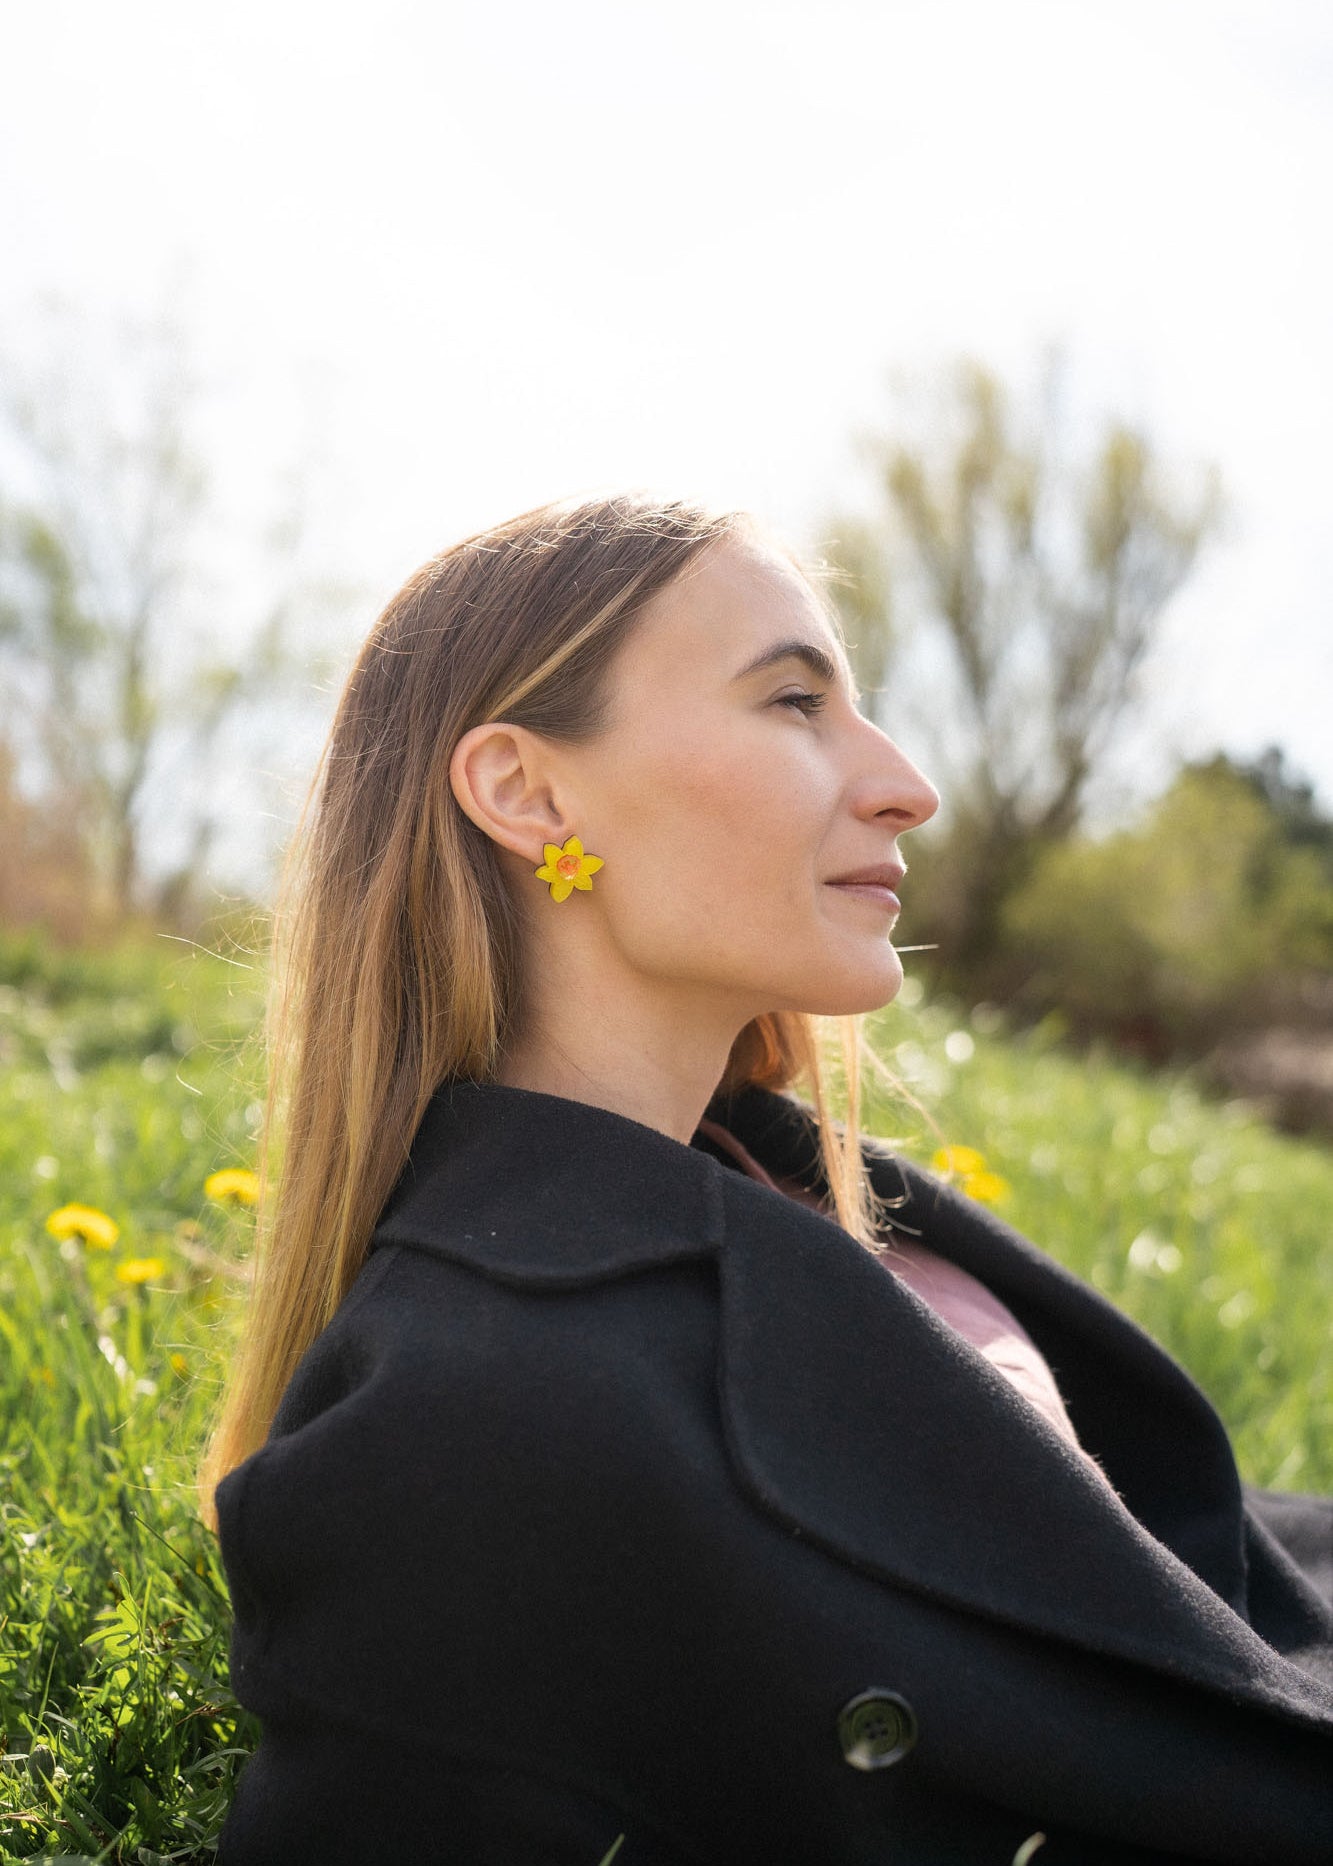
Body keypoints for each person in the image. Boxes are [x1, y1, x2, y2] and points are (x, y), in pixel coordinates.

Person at [201, 492, 1333, 1865]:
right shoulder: (465, 1414)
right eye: (793, 701)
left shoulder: (780, 1180)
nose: (904, 781)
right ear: (527, 790)